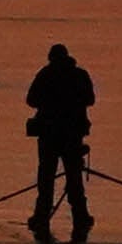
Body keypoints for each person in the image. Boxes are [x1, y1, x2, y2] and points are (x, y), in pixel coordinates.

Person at [25, 43, 96, 228]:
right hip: (72, 133)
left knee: (46, 177)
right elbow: (90, 99)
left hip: (50, 134)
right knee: (73, 176)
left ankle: (41, 216)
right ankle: (80, 216)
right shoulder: (80, 75)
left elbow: (31, 100)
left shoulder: (46, 74)